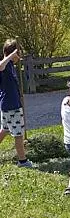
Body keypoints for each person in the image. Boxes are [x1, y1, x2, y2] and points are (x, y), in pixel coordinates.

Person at [0, 39, 33, 168]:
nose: (20, 57)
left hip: (9, 104)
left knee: (5, 129)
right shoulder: (5, 65)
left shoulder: (10, 66)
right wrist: (10, 56)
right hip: (11, 106)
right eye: (19, 54)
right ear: (13, 53)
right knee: (18, 134)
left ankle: (22, 159)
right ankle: (22, 161)